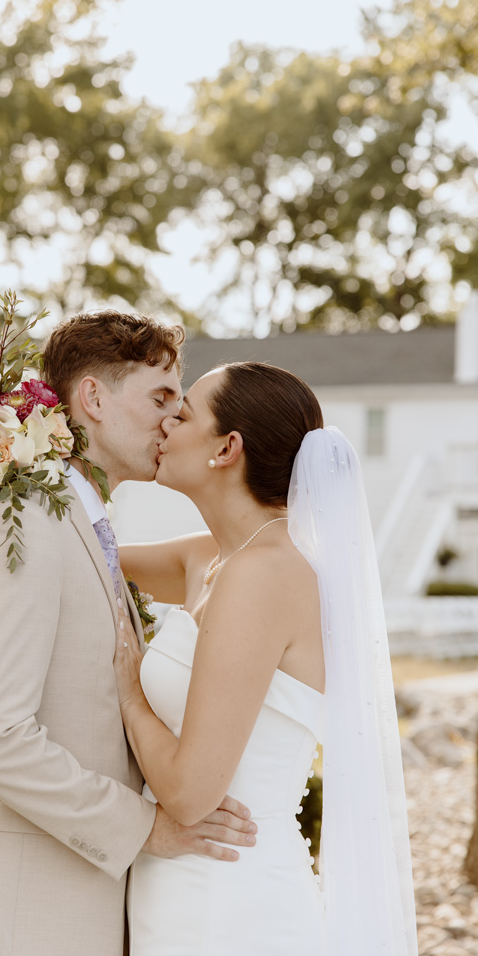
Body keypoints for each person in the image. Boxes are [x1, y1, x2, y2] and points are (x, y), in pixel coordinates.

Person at [0, 313, 257, 956]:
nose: (172, 420)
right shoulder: (19, 523)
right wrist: (144, 829)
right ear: (93, 398)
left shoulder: (86, 525)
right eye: (160, 397)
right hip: (33, 917)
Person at [115, 361, 418, 956]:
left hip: (231, 904)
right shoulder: (214, 557)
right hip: (178, 890)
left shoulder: (267, 574)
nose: (165, 425)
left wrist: (128, 692)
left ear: (227, 448)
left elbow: (189, 794)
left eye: (184, 414)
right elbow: (89, 555)